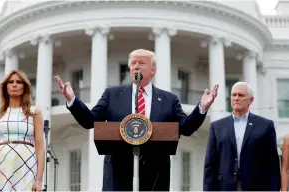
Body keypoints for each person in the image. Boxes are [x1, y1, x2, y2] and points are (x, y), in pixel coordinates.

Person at [54, 48, 219, 191]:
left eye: (141, 63)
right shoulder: (112, 95)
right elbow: (90, 121)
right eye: (133, 63)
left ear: (153, 70)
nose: (136, 67)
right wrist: (72, 100)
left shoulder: (169, 99)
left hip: (155, 173)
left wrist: (201, 108)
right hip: (118, 172)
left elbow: (186, 128)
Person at [203, 82, 280, 191]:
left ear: (251, 100)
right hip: (224, 187)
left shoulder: (265, 126)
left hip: (256, 186)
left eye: (241, 95)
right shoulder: (217, 127)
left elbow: (272, 165)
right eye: (233, 95)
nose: (236, 98)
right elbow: (210, 165)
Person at [0, 70, 45, 191]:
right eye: (10, 82)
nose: (14, 85)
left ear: (24, 87)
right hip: (0, 163)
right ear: (5, 87)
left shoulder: (34, 112)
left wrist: (39, 179)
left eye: (19, 82)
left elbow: (40, 146)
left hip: (27, 163)